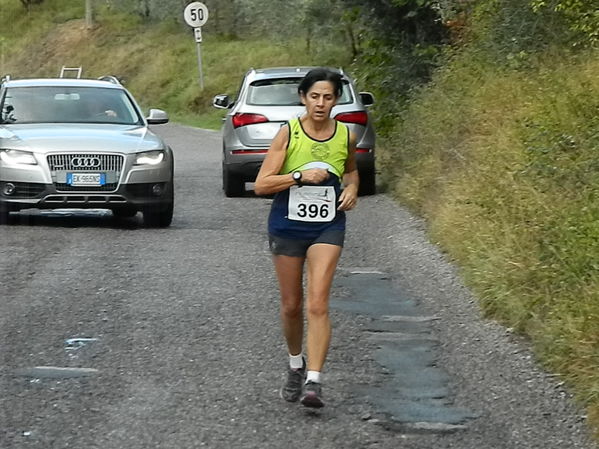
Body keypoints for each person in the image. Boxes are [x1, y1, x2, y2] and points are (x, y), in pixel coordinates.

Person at [254, 67, 359, 408]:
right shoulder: (289, 134)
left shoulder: (345, 135)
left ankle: (314, 382)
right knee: (291, 306)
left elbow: (352, 171)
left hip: (328, 225)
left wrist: (353, 189)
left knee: (317, 302)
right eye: (314, 96)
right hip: (286, 223)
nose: (320, 103)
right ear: (303, 98)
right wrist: (298, 176)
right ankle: (295, 363)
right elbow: (261, 184)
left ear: (336, 101)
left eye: (328, 97)